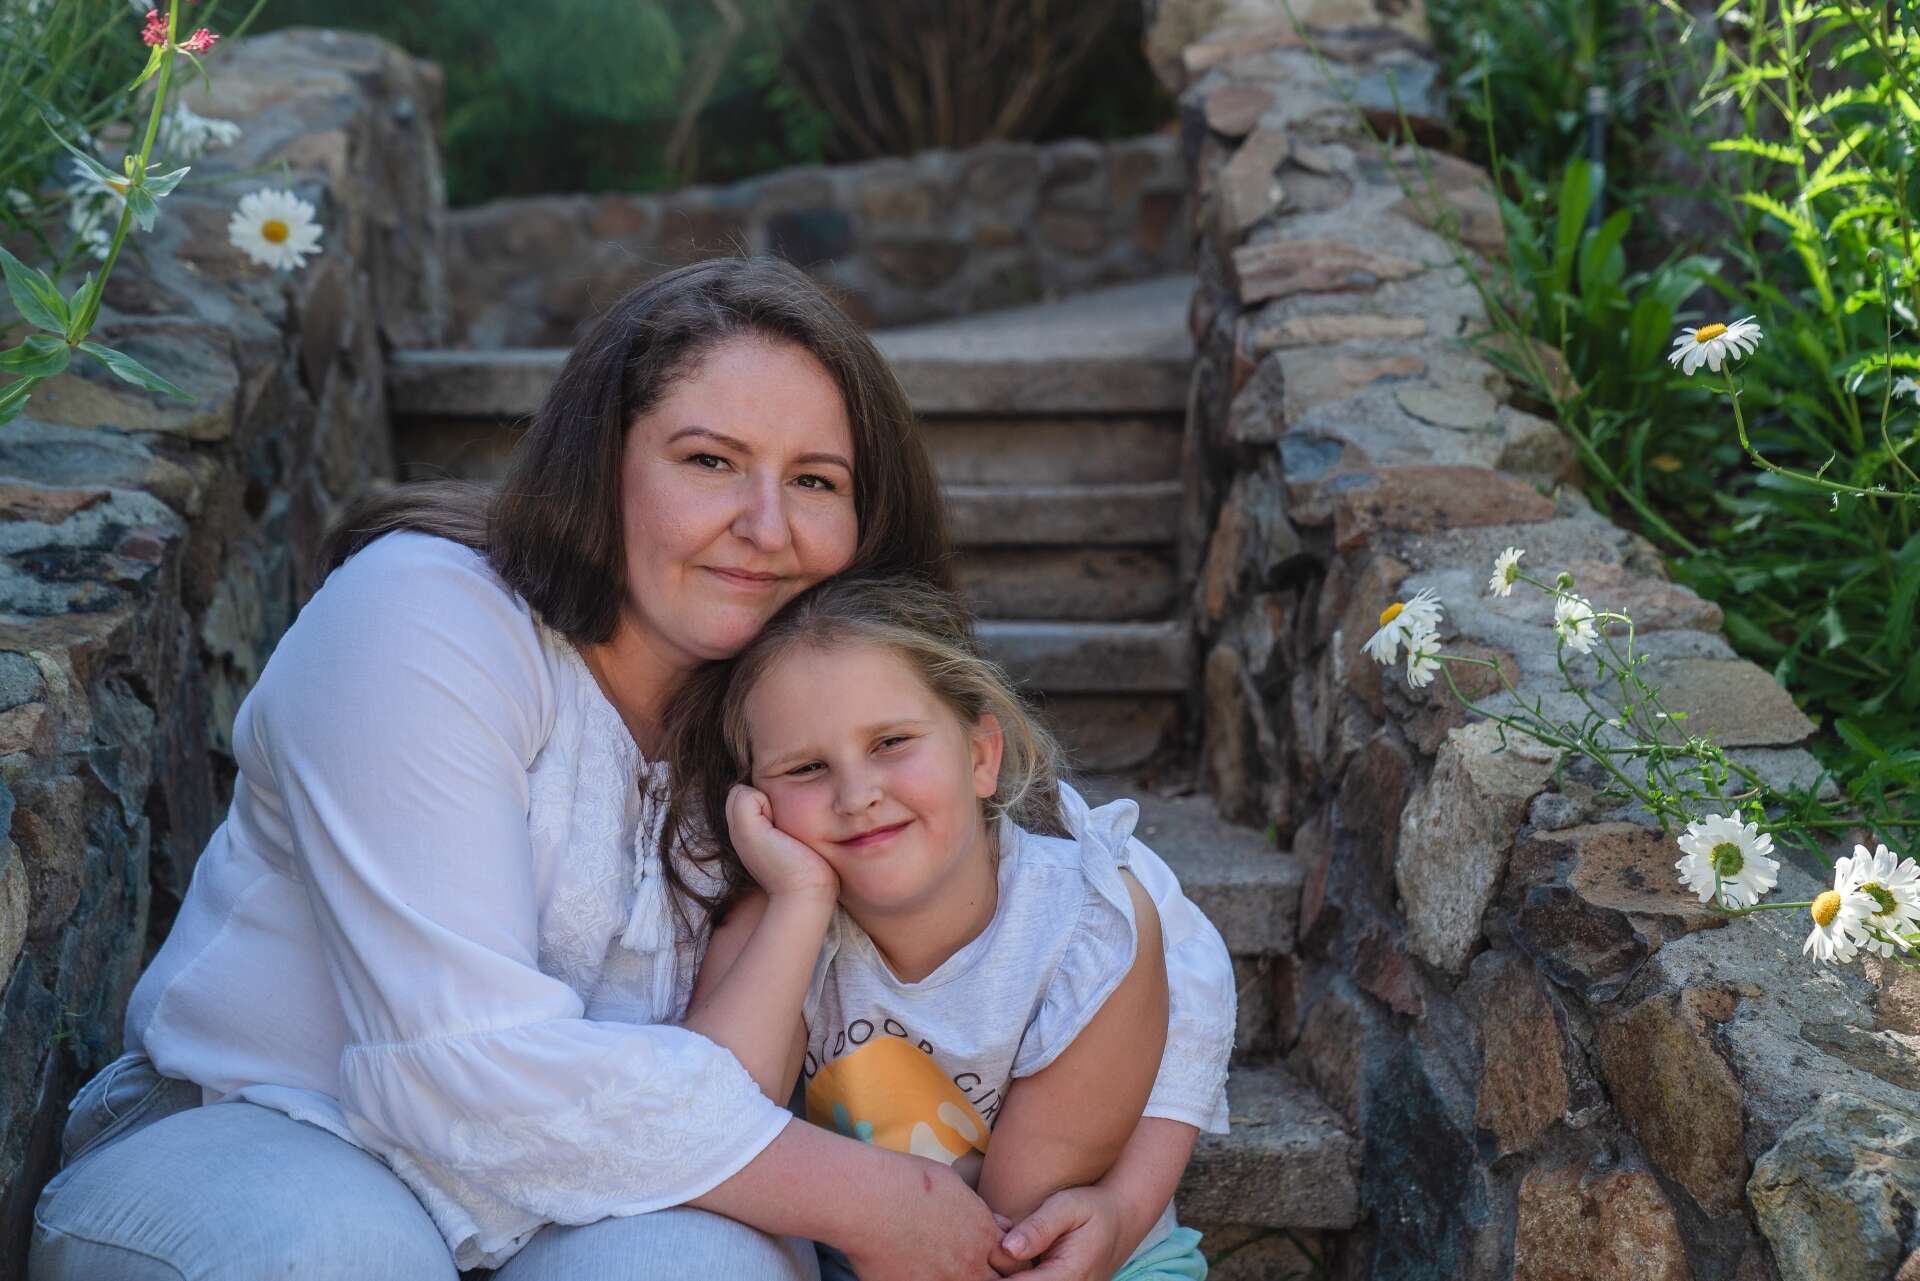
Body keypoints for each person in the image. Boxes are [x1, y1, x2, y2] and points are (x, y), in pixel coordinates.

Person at [28, 257, 1233, 1281]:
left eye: (815, 481)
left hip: (590, 1201)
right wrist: (875, 1200)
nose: (768, 526)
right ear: (601, 462)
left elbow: (1106, 904)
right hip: (276, 1134)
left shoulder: (788, 721)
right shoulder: (424, 620)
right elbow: (458, 1069)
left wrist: (1127, 1196)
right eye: (710, 461)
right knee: (339, 1258)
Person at [661, 573, 1221, 1281]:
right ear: (756, 803)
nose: (857, 793)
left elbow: (1006, 1242)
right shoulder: (777, 919)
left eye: (892, 741)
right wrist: (800, 898)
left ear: (981, 756)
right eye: (805, 767)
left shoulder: (1086, 926)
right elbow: (705, 1121)